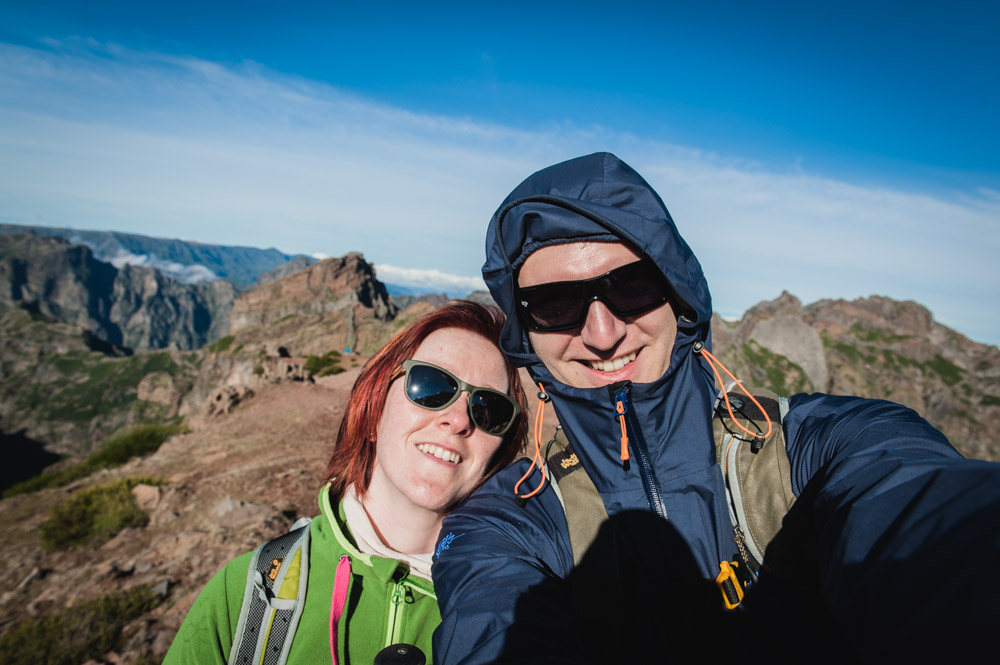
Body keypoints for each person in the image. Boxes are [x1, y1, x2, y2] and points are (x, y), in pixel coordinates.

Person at [431, 153, 1000, 663]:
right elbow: (490, 623)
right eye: (554, 303)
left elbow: (925, 513)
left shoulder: (824, 444)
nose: (602, 334)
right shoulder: (503, 522)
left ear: (677, 295)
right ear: (527, 336)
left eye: (631, 286)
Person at [164, 301, 527, 665]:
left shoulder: (516, 616)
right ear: (374, 408)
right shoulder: (246, 593)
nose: (459, 419)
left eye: (489, 409)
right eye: (431, 385)